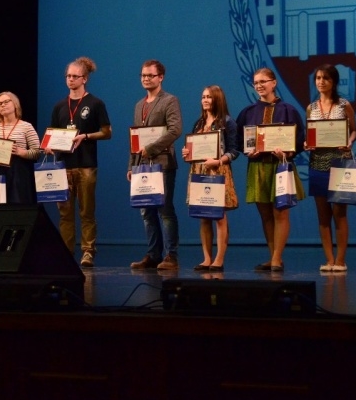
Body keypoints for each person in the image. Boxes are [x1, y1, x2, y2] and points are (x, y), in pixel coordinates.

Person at [236, 67, 305, 272]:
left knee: (280, 212)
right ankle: (273, 255)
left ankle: (277, 258)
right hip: (258, 167)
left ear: (274, 83)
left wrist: (288, 152)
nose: (259, 86)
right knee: (265, 215)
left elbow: (299, 139)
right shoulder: (248, 112)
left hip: (280, 166)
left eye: (263, 81)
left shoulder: (288, 110)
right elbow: (239, 140)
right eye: (256, 82)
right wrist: (248, 151)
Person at [47, 57, 112, 268]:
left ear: (84, 79)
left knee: (86, 212)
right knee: (65, 213)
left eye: (75, 76)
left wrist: (85, 136)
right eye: (68, 76)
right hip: (63, 166)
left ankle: (87, 252)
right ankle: (66, 253)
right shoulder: (59, 106)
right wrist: (48, 145)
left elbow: (107, 132)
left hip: (86, 165)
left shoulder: (95, 103)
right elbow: (52, 134)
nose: (70, 79)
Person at [128, 59, 182, 271]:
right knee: (146, 212)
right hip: (142, 165)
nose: (146, 79)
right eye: (143, 75)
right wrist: (131, 165)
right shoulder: (139, 105)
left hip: (163, 164)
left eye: (150, 75)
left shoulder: (169, 100)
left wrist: (151, 148)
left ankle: (171, 256)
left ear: (161, 77)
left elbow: (175, 130)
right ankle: (153, 255)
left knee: (164, 210)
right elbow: (135, 138)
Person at [305, 64, 356, 272]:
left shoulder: (344, 105)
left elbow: (354, 131)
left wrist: (349, 142)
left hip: (339, 162)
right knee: (323, 215)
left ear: (334, 81)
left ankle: (340, 260)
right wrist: (307, 144)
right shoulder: (311, 108)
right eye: (318, 78)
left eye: (325, 78)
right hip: (317, 163)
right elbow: (310, 134)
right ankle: (329, 260)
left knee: (339, 213)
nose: (321, 82)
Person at [181, 85, 240, 272]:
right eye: (203, 97)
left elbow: (234, 151)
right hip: (199, 170)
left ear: (217, 99)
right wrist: (187, 153)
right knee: (203, 216)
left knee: (219, 216)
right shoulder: (199, 123)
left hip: (218, 170)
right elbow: (193, 148)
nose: (205, 100)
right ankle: (206, 258)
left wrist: (219, 160)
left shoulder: (228, 122)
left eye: (209, 97)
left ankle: (219, 260)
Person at [0, 91, 41, 204]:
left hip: (18, 172)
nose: (3, 105)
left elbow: (37, 152)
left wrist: (21, 152)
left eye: (6, 102)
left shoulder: (26, 126)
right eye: (0, 104)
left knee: (17, 206)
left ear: (15, 104)